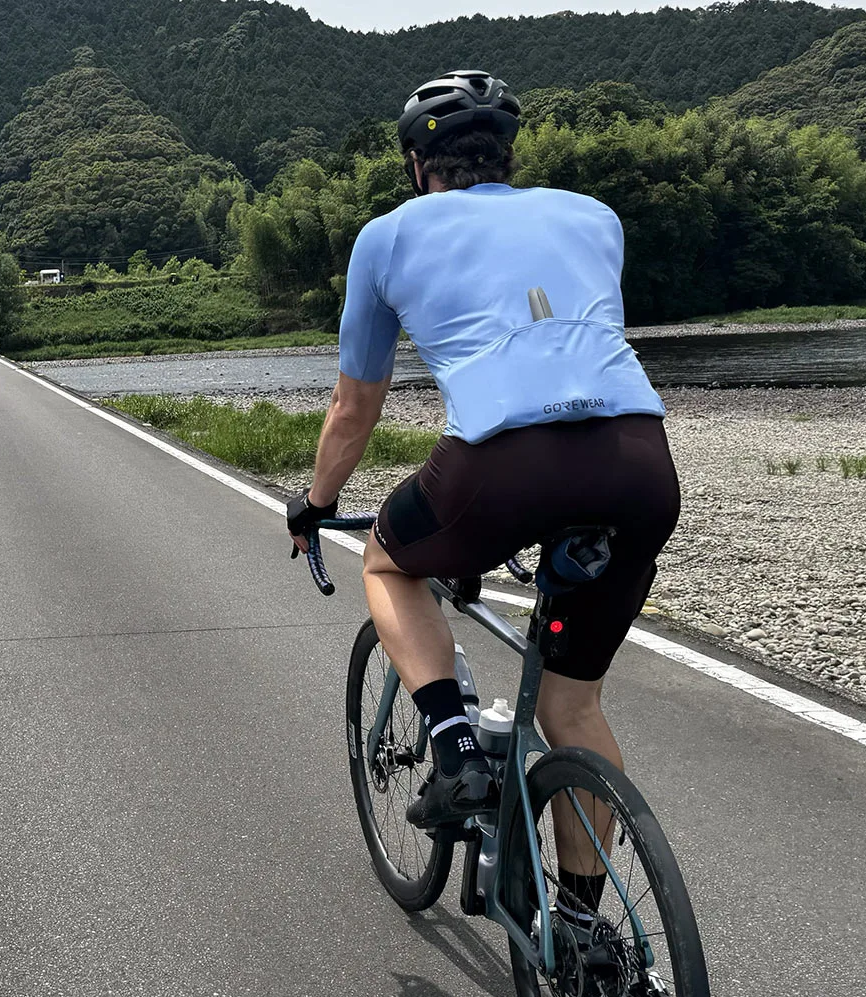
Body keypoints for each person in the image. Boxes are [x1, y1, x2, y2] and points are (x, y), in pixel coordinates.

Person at [284, 71, 680, 906]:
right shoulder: (594, 217)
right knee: (572, 707)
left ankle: (457, 749)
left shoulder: (387, 237)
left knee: (390, 564)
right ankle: (580, 929)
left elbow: (354, 410)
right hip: (639, 464)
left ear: (417, 164)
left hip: (503, 469)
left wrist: (316, 504)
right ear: (507, 153)